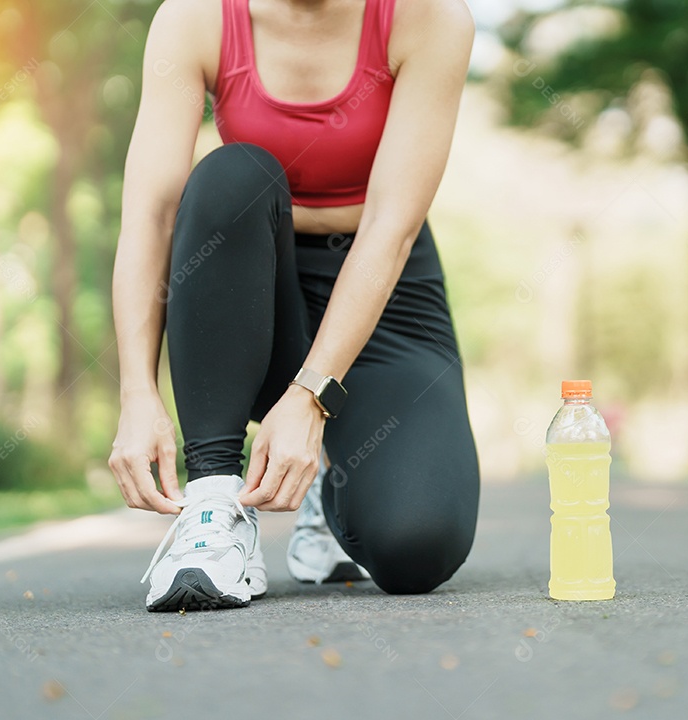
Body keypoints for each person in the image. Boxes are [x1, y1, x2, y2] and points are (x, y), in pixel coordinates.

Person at [107, 0, 480, 611]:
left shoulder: (432, 19)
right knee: (233, 175)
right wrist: (136, 393)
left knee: (418, 546)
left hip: (380, 284)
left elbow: (391, 229)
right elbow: (151, 218)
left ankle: (328, 481)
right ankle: (213, 507)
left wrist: (311, 398)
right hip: (244, 283)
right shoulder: (195, 18)